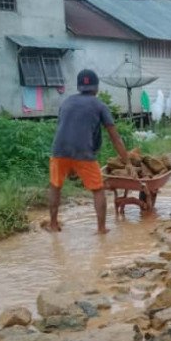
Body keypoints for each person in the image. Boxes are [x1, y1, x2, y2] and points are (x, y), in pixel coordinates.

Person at [48, 69, 129, 234]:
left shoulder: (66, 102)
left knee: (55, 186)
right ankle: (101, 229)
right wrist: (127, 162)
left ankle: (53, 224)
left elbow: (62, 127)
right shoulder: (99, 105)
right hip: (84, 152)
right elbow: (115, 138)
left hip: (58, 150)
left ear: (79, 87)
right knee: (97, 189)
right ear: (96, 87)